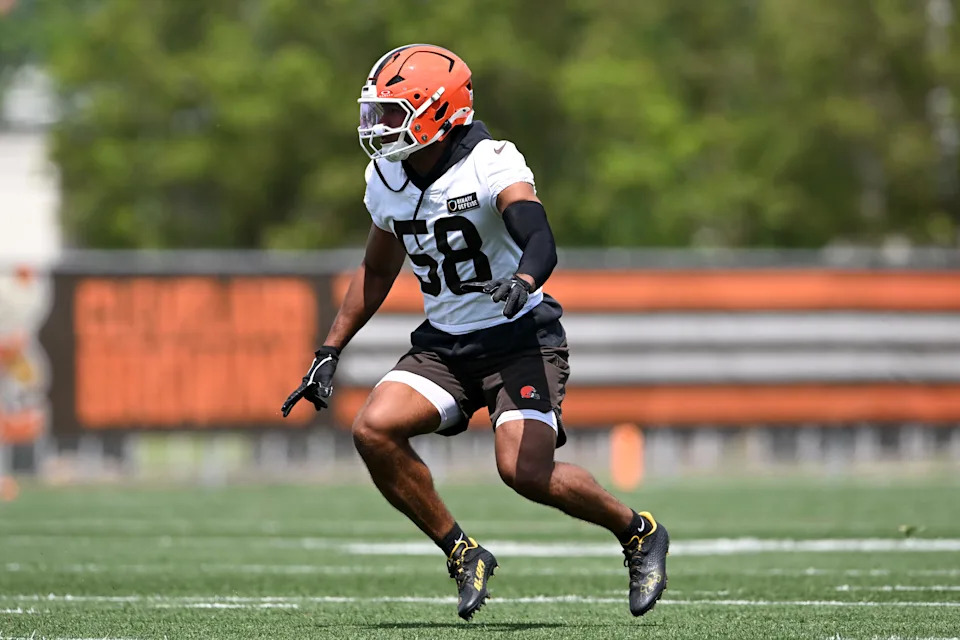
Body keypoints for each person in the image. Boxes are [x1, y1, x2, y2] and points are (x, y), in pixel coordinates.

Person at [281, 44, 669, 621]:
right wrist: (329, 349)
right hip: (446, 344)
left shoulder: (492, 162)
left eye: (393, 112)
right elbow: (378, 268)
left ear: (438, 112)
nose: (378, 126)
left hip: (520, 338)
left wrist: (525, 277)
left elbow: (540, 237)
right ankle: (463, 553)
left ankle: (638, 532)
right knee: (373, 429)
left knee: (523, 472)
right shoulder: (386, 175)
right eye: (376, 112)